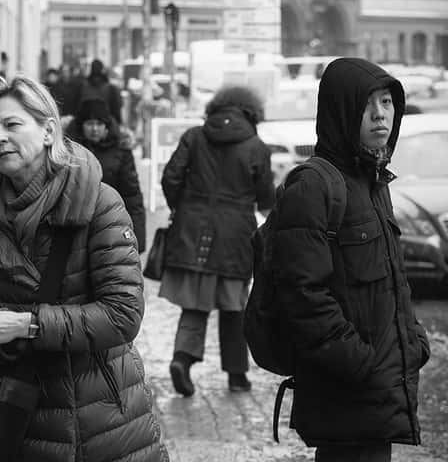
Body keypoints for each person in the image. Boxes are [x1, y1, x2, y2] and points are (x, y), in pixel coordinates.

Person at [0, 76, 167, 461]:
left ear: (48, 131)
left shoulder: (99, 204)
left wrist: (22, 324)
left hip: (92, 411)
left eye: (12, 125)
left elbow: (122, 315)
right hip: (6, 401)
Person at [272, 58, 430, 461]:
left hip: (376, 393)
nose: (381, 115)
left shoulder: (373, 181)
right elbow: (302, 293)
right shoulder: (314, 187)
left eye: (387, 102)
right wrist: (359, 363)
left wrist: (413, 341)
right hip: (347, 391)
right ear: (342, 112)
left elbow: (390, 279)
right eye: (367, 105)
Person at [160, 86, 275, 396]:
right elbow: (266, 198)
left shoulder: (194, 136)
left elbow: (171, 177)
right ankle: (237, 376)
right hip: (236, 235)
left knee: (195, 305)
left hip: (192, 230)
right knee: (234, 307)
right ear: (252, 114)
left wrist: (182, 208)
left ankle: (182, 360)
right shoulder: (256, 147)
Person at [66, 98, 146, 252]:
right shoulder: (67, 149)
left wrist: (138, 237)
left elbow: (131, 194)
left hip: (109, 225)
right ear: (80, 125)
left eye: (99, 124)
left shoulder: (121, 150)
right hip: (72, 226)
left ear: (107, 126)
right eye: (89, 124)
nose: (94, 129)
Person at [80, 59, 123, 124]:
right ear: (102, 69)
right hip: (105, 123)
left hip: (86, 124)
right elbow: (116, 109)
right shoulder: (110, 88)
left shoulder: (83, 86)